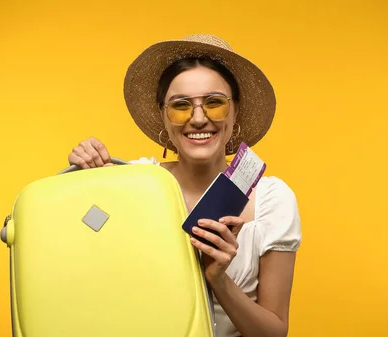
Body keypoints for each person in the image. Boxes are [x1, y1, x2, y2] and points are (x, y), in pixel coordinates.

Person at [67, 34, 302, 337]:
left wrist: (219, 279)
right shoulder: (131, 181)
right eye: (181, 106)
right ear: (163, 115)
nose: (199, 118)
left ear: (236, 111)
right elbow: (82, 271)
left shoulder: (273, 200)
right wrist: (82, 177)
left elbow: (274, 333)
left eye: (214, 103)